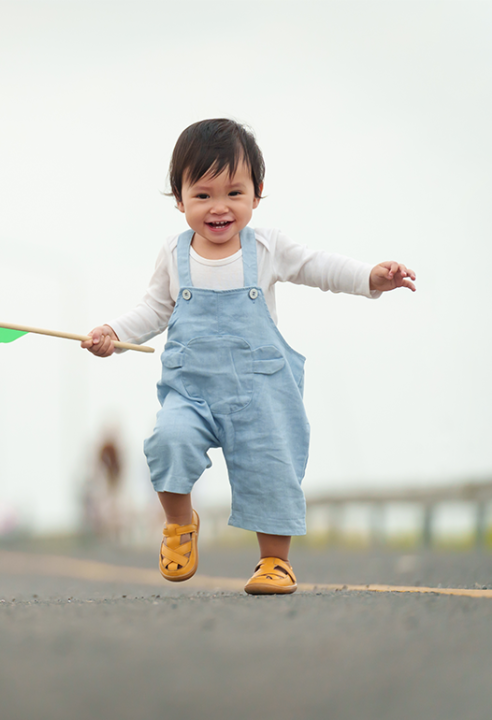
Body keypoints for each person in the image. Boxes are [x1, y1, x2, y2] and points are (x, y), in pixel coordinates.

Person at [81, 119, 415, 595]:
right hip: (191, 391)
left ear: (257, 194)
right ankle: (179, 524)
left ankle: (274, 562)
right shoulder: (174, 255)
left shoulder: (267, 247)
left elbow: (318, 266)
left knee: (271, 468)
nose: (219, 208)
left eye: (233, 193)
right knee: (167, 440)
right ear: (179, 199)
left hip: (260, 391)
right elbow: (153, 308)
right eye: (202, 195)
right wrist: (113, 333)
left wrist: (370, 277)